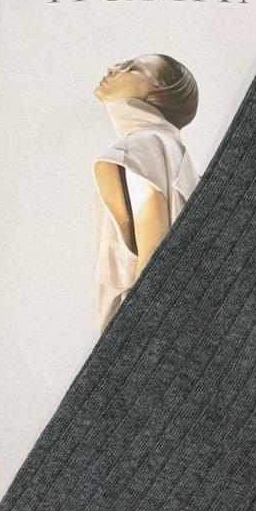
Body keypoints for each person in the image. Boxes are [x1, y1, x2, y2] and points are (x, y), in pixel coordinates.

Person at [91, 53, 200, 332]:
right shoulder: (171, 149)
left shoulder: (143, 145)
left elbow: (153, 248)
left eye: (134, 68)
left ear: (160, 92)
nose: (113, 68)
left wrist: (132, 334)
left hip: (141, 323)